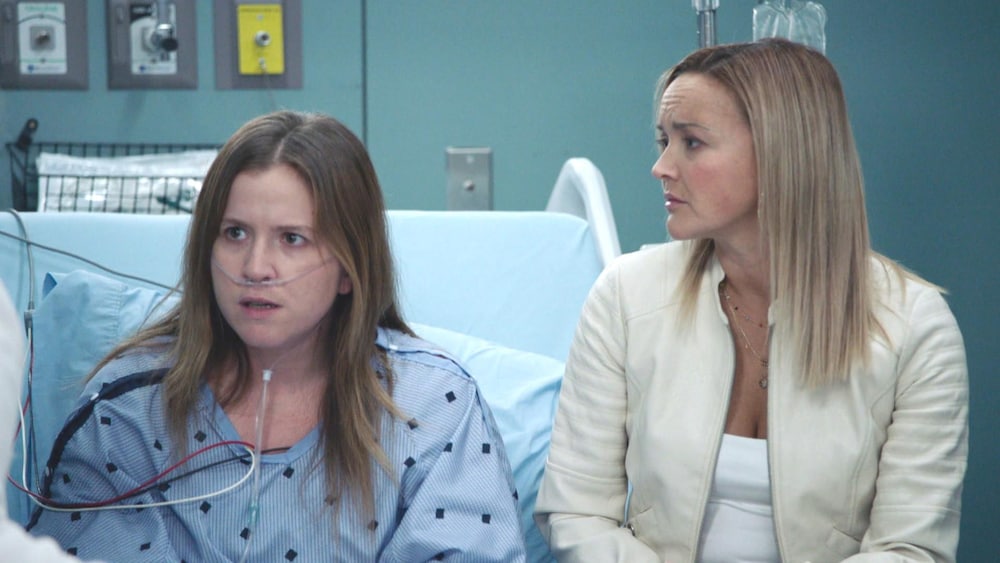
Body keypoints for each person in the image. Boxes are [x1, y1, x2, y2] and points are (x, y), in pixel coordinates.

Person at [534, 38, 968, 563]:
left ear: (782, 153)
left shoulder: (913, 326)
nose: (662, 167)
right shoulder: (626, 296)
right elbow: (576, 514)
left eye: (692, 142)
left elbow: (909, 548)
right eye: (664, 141)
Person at [27, 111, 526, 561]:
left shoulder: (433, 408)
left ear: (350, 269)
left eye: (292, 239)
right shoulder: (127, 410)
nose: (255, 267)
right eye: (235, 233)